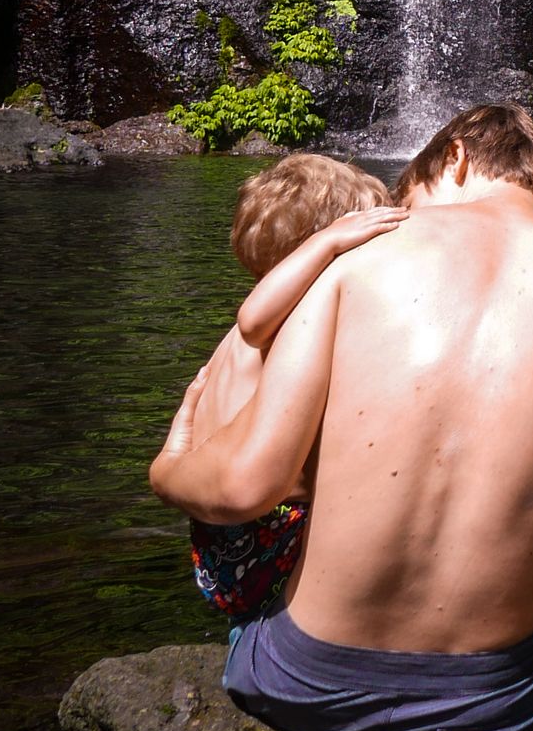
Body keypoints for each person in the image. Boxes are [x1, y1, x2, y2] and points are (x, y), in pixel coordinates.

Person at [149, 103, 533, 731]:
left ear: (456, 156)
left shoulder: (354, 256)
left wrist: (169, 464)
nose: (398, 213)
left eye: (406, 197)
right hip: (499, 701)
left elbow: (244, 486)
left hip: (302, 683)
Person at [160, 154, 404, 624]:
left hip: (222, 546)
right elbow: (253, 319)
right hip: (271, 536)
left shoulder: (241, 340)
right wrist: (329, 243)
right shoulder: (273, 324)